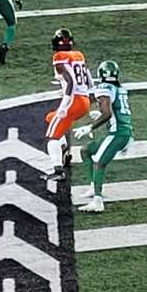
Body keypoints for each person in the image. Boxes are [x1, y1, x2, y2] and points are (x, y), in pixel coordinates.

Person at [73, 59, 133, 212]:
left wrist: (90, 127)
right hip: (123, 131)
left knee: (99, 163)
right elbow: (116, 111)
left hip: (118, 134)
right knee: (86, 151)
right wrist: (100, 114)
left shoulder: (105, 88)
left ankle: (98, 201)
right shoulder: (120, 88)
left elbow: (107, 114)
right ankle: (94, 187)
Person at [43, 27, 93, 183]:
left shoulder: (59, 56)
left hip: (73, 101)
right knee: (51, 117)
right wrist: (90, 93)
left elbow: (70, 81)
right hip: (84, 100)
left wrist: (64, 105)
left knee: (52, 137)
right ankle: (65, 150)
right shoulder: (78, 55)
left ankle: (58, 171)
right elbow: (88, 77)